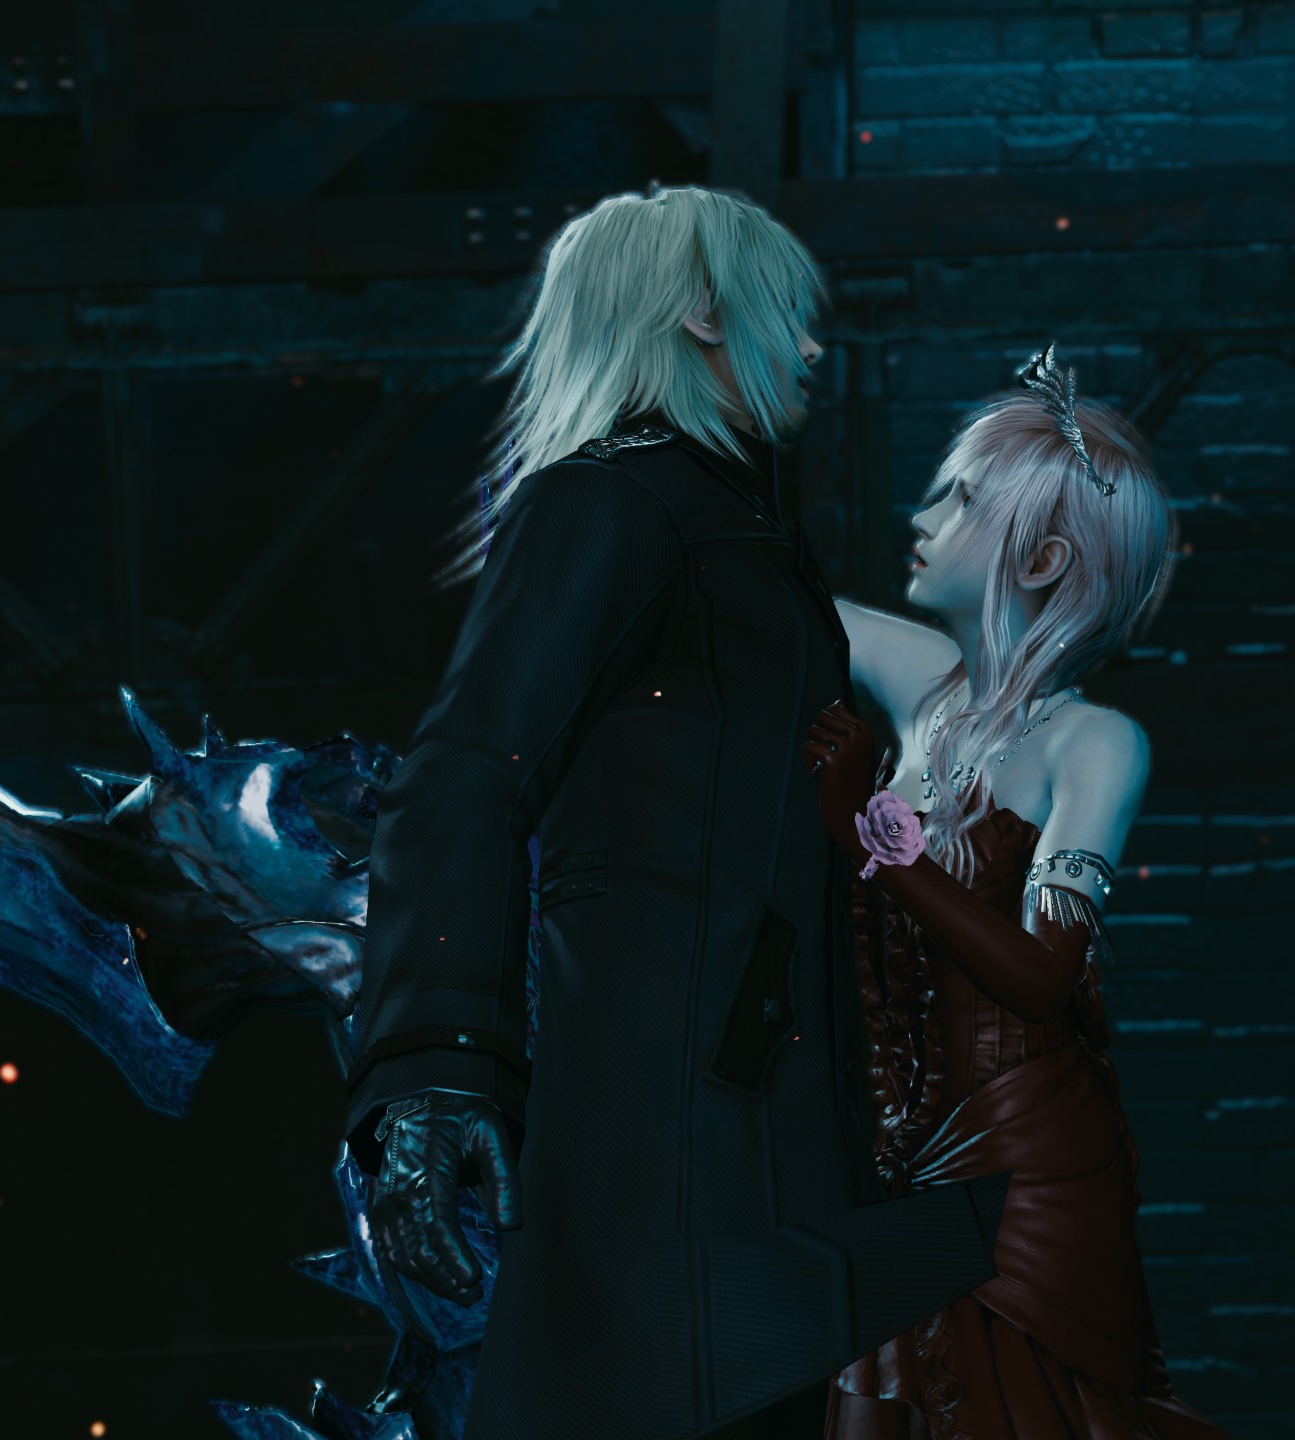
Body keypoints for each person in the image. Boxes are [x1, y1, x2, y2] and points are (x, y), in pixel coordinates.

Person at [344, 185, 1010, 1440]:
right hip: (664, 1118)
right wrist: (434, 1066)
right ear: (702, 311)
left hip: (762, 1116)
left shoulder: (733, 534)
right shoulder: (604, 503)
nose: (810, 346)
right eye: (782, 312)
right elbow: (464, 774)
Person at [800, 349, 1229, 1439]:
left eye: (960, 501)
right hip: (904, 1160)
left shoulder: (1095, 744)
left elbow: (1042, 976)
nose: (924, 516)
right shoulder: (925, 691)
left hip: (1029, 1170)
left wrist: (869, 838)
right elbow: (774, 603)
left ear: (1041, 558)